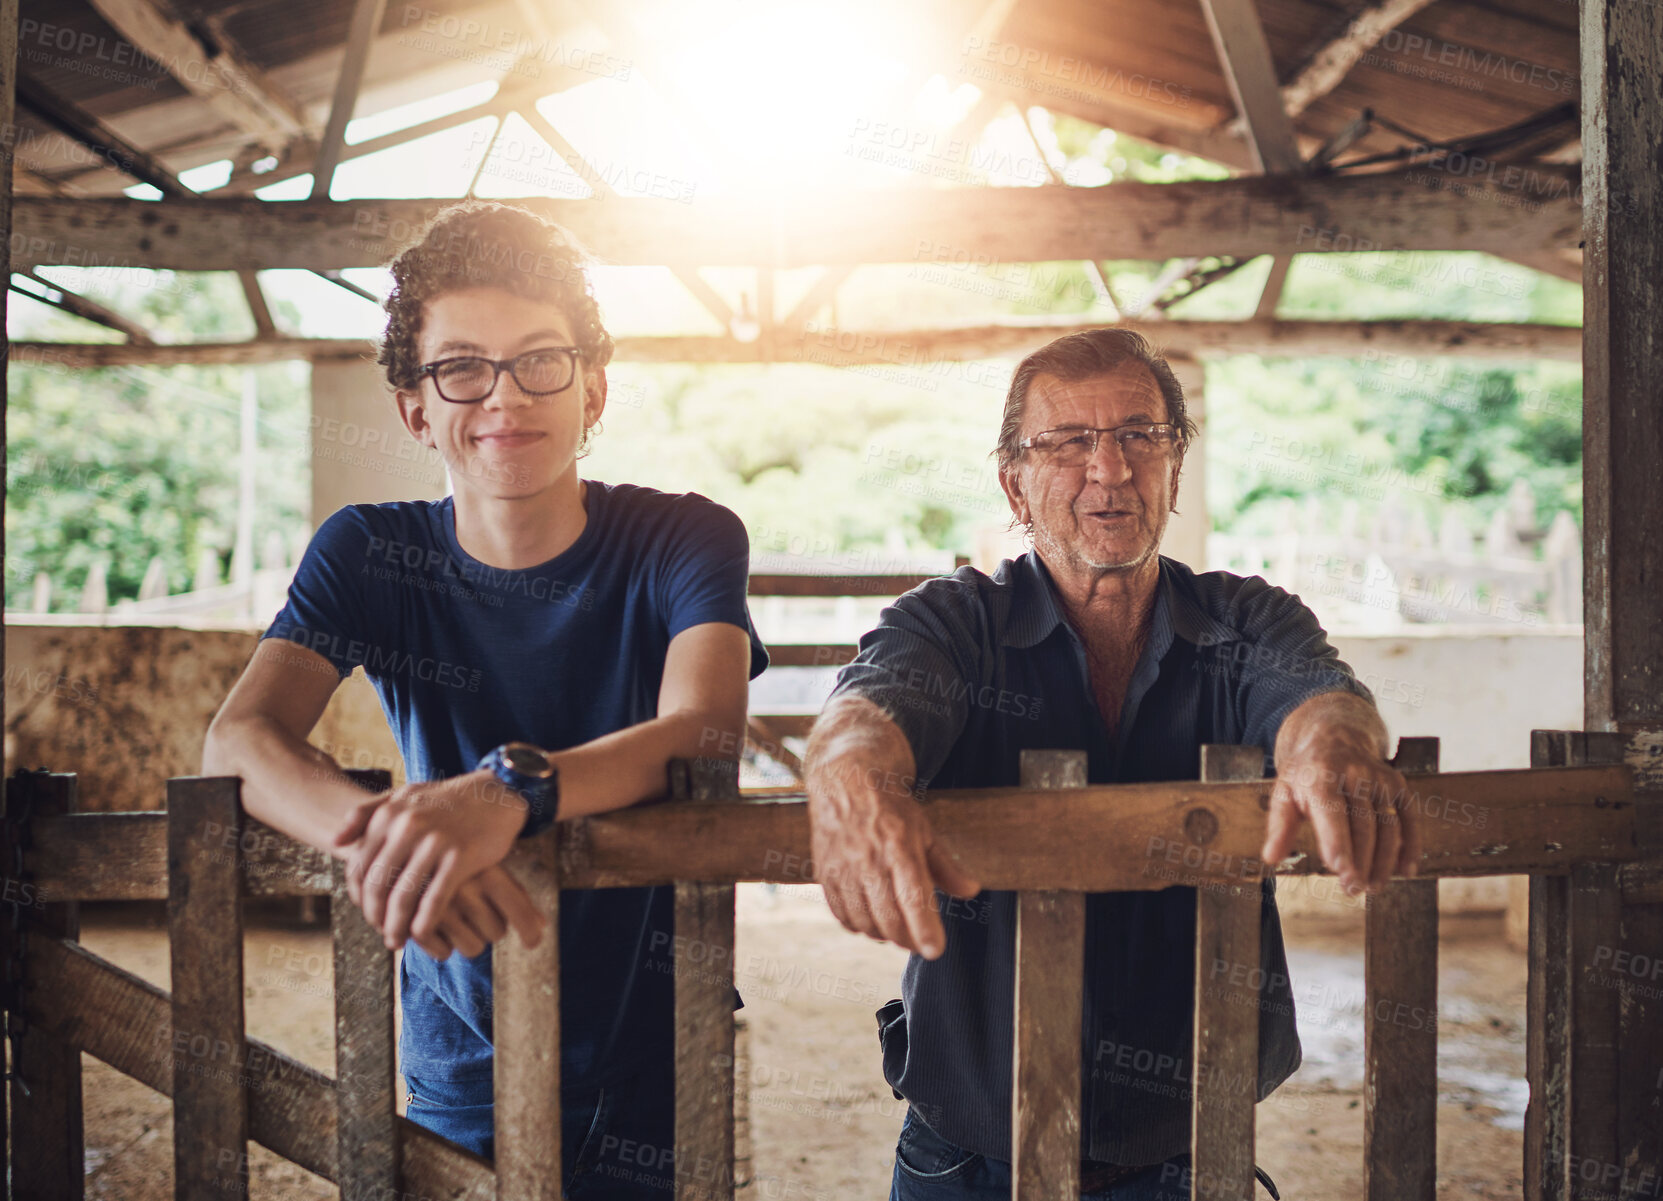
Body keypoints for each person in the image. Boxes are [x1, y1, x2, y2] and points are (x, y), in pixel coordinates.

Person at [204, 201, 767, 1196]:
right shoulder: (370, 551)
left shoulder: (685, 539)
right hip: (461, 1022)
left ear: (594, 391)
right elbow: (239, 739)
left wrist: (512, 787)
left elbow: (705, 725)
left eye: (540, 360)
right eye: (462, 366)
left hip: (662, 1024)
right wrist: (394, 835)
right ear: (415, 406)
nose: (504, 398)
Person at [803, 328, 1417, 1199]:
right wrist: (851, 774)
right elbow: (869, 706)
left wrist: (1332, 746)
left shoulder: (1246, 617)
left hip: (1187, 1148)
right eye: (1069, 443)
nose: (1111, 469)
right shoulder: (954, 622)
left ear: (1174, 467)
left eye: (1140, 435)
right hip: (969, 1150)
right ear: (1014, 482)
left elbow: (1317, 694)